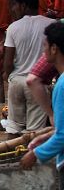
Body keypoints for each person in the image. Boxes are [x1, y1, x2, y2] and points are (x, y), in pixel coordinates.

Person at [4, 0, 55, 134]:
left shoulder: (13, 27)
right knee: (34, 131)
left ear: (23, 6)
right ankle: (30, 156)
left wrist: (9, 77)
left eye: (14, 5)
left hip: (17, 81)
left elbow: (8, 62)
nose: (12, 9)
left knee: (13, 128)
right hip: (39, 84)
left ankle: (9, 156)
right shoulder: (51, 25)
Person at [20, 22, 64, 170]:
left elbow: (63, 135)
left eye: (45, 46)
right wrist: (46, 137)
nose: (43, 51)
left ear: (54, 49)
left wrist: (36, 154)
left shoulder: (62, 85)